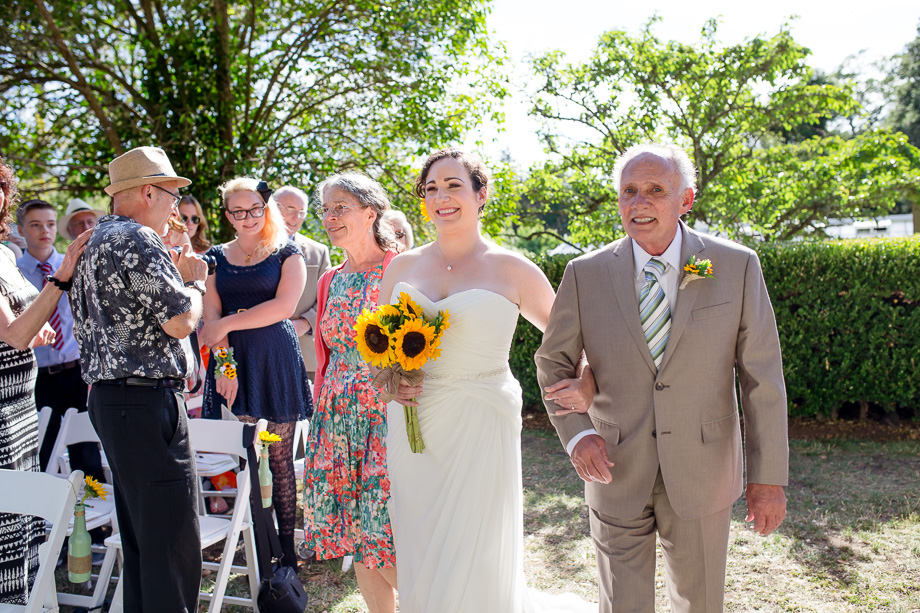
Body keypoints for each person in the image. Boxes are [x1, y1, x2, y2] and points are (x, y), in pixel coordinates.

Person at [535, 143, 789, 613]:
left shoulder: (735, 266)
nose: (639, 202)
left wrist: (767, 478)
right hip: (613, 467)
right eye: (629, 191)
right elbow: (552, 362)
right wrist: (578, 435)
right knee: (622, 604)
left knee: (700, 601)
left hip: (703, 470)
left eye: (655, 190)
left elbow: (762, 378)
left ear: (686, 199)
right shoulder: (585, 273)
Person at [378, 148, 596, 613]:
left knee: (474, 541)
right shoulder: (399, 268)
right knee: (418, 533)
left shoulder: (512, 268)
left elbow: (575, 342)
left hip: (481, 417)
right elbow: (382, 352)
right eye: (431, 188)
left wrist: (587, 381)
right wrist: (392, 382)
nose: (442, 197)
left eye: (454, 185)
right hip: (413, 423)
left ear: (480, 195)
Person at [70, 146, 208, 612]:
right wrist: (195, 282)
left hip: (113, 402)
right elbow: (180, 322)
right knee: (172, 543)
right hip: (145, 402)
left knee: (143, 541)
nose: (176, 207)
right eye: (172, 195)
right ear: (148, 191)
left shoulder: (95, 240)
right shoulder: (137, 240)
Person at [198, 177, 312, 569]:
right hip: (236, 362)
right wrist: (225, 364)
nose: (247, 218)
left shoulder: (286, 252)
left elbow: (283, 307)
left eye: (254, 209)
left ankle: (286, 553)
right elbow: (210, 318)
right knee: (250, 453)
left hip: (275, 358)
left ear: (265, 208)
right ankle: (261, 545)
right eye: (237, 211)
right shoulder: (215, 256)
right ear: (227, 214)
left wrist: (230, 322)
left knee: (278, 458)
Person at [302, 173, 399, 613]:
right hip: (336, 417)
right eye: (325, 209)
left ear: (370, 212)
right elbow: (327, 358)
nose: (329, 217)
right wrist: (320, 420)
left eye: (339, 206)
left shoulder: (401, 269)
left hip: (386, 416)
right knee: (357, 539)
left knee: (384, 532)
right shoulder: (329, 280)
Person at [0, 158, 91, 605]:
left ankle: (51, 579)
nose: (44, 232)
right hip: (14, 399)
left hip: (45, 389)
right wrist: (61, 278)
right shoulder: (16, 262)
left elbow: (22, 325)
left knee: (77, 466)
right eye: (35, 225)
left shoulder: (9, 257)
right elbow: (13, 331)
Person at [15, 199, 102, 479]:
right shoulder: (13, 272)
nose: (44, 231)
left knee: (86, 450)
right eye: (35, 224)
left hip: (76, 371)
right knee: (42, 449)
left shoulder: (76, 264)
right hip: (38, 376)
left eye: (50, 224)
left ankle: (92, 519)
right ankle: (44, 518)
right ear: (21, 229)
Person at [274, 185, 331, 381]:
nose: (296, 218)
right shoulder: (249, 248)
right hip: (261, 354)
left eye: (302, 213)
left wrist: (306, 322)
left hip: (305, 356)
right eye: (290, 210)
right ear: (272, 208)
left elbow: (329, 296)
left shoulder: (319, 251)